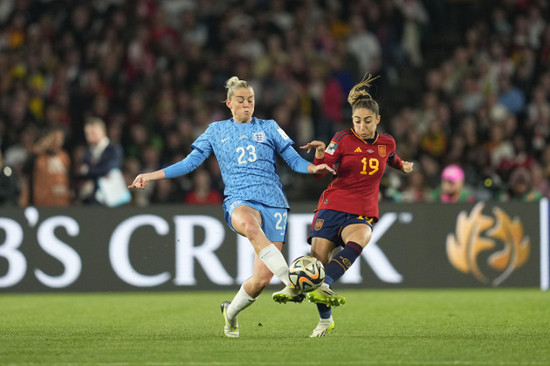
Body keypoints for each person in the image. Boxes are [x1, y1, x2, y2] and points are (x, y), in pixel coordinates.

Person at [128, 76, 335, 338]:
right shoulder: (216, 131)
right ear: (229, 103)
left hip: (274, 203)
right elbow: (189, 163)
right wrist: (150, 175)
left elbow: (293, 160)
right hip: (240, 200)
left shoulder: (269, 127)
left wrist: (312, 167)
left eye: (250, 100)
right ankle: (292, 282)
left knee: (260, 282)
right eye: (241, 100)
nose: (247, 104)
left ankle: (231, 313)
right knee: (250, 225)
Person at [273, 74, 413, 337]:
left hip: (363, 210)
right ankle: (316, 309)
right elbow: (320, 170)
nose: (361, 126)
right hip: (332, 206)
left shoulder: (387, 143)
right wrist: (318, 155)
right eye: (357, 120)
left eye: (367, 121)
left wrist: (402, 165)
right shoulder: (342, 139)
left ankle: (323, 284)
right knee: (317, 261)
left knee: (360, 238)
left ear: (378, 120)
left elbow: (390, 157)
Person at [79, 117, 128, 206]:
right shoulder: (87, 153)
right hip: (93, 200)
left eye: (93, 133)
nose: (89, 136)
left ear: (103, 132)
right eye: (87, 133)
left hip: (112, 197)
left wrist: (89, 171)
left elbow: (110, 168)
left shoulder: (114, 149)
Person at [20, 128, 71, 206]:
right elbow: (25, 170)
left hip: (62, 202)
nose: (58, 142)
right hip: (42, 203)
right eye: (54, 139)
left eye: (60, 139)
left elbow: (69, 178)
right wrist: (39, 148)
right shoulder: (39, 157)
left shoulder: (64, 157)